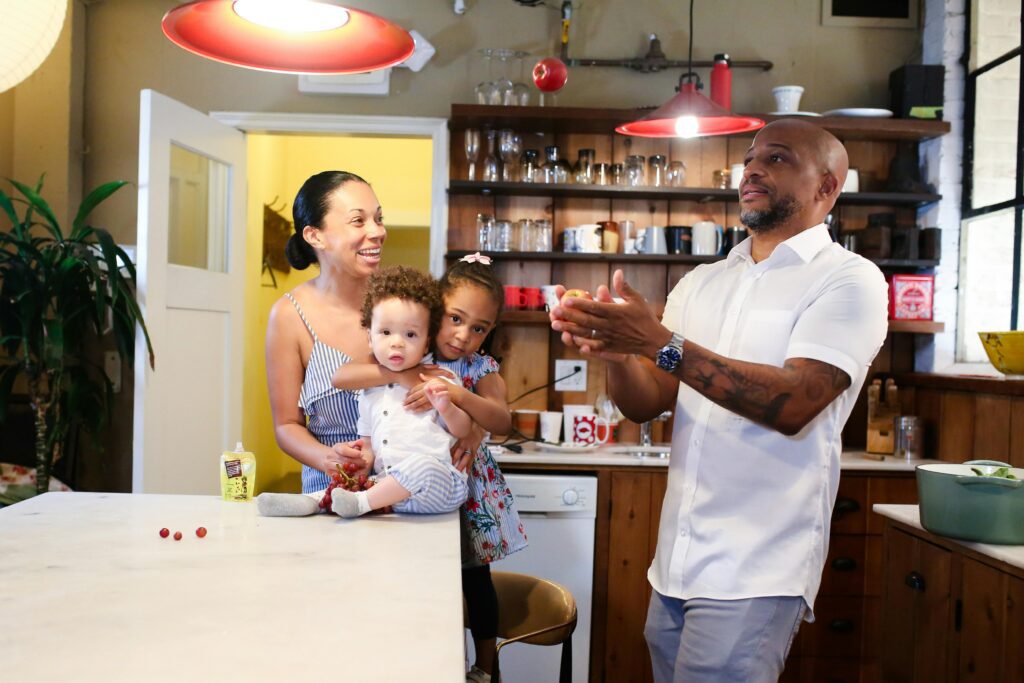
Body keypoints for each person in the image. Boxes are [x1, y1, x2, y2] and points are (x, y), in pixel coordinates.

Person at [549, 119, 889, 682]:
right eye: (750, 158)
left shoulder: (849, 280)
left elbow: (797, 402)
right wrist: (613, 352)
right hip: (676, 563)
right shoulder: (702, 282)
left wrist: (657, 340)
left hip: (758, 567)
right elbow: (647, 402)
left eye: (777, 159)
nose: (752, 169)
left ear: (826, 187)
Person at [332, 254, 527, 683]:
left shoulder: (480, 368)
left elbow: (502, 420)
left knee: (474, 579)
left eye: (479, 328)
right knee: (407, 572)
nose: (464, 335)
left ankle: (484, 666)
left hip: (463, 485)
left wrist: (457, 399)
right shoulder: (407, 348)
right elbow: (343, 376)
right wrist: (409, 377)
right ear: (436, 312)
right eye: (456, 318)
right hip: (398, 482)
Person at [258, 265, 473, 518]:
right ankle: (311, 502)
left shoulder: (438, 379)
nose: (397, 342)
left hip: (440, 485)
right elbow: (370, 444)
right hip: (390, 489)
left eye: (411, 334)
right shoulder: (370, 392)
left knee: (421, 466)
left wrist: (445, 405)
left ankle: (359, 504)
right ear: (369, 338)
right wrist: (360, 462)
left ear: (426, 341)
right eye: (385, 332)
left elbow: (463, 430)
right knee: (354, 483)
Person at [263, 170, 385, 502]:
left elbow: (456, 376)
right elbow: (287, 425)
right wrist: (330, 460)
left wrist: (472, 431)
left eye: (378, 218)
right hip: (330, 495)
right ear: (315, 236)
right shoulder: (289, 317)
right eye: (358, 221)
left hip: (409, 492)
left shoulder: (401, 301)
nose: (377, 231)